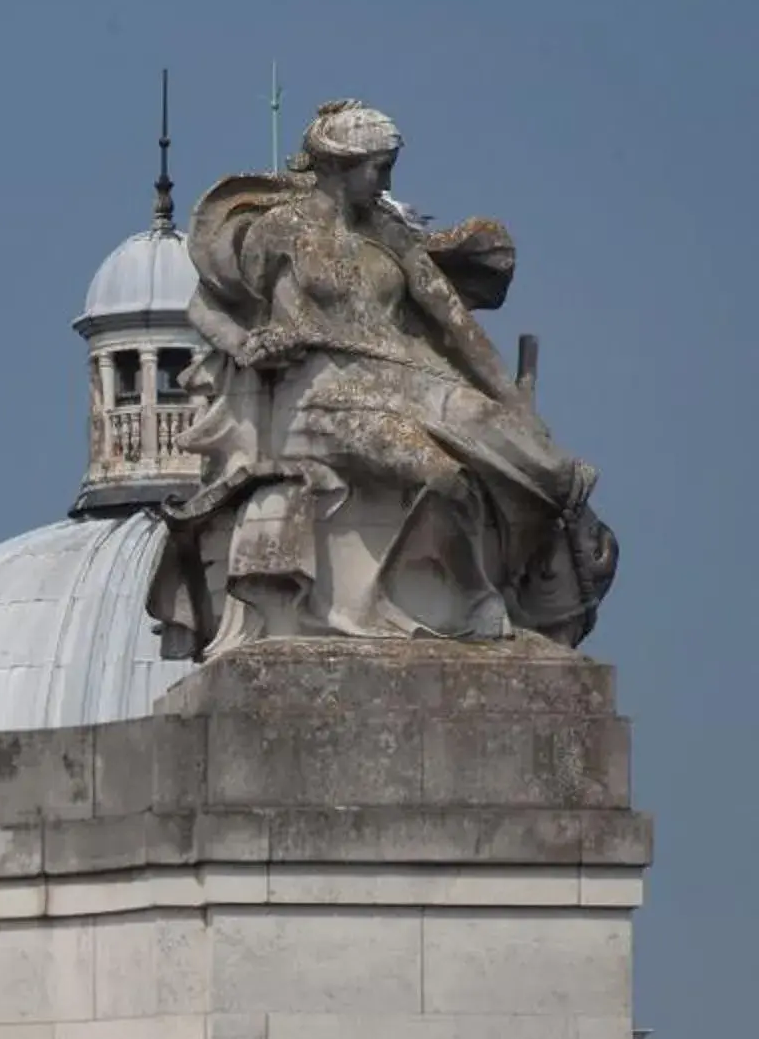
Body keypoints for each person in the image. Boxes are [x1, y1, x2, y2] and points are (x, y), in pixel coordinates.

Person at [153, 100, 615, 655]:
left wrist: (510, 400)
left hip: (410, 378)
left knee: (536, 459)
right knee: (445, 476)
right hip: (327, 395)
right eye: (379, 167)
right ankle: (472, 599)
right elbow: (246, 315)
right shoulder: (281, 231)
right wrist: (261, 344)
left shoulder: (387, 232)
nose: (387, 180)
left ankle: (528, 583)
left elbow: (453, 321)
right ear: (339, 165)